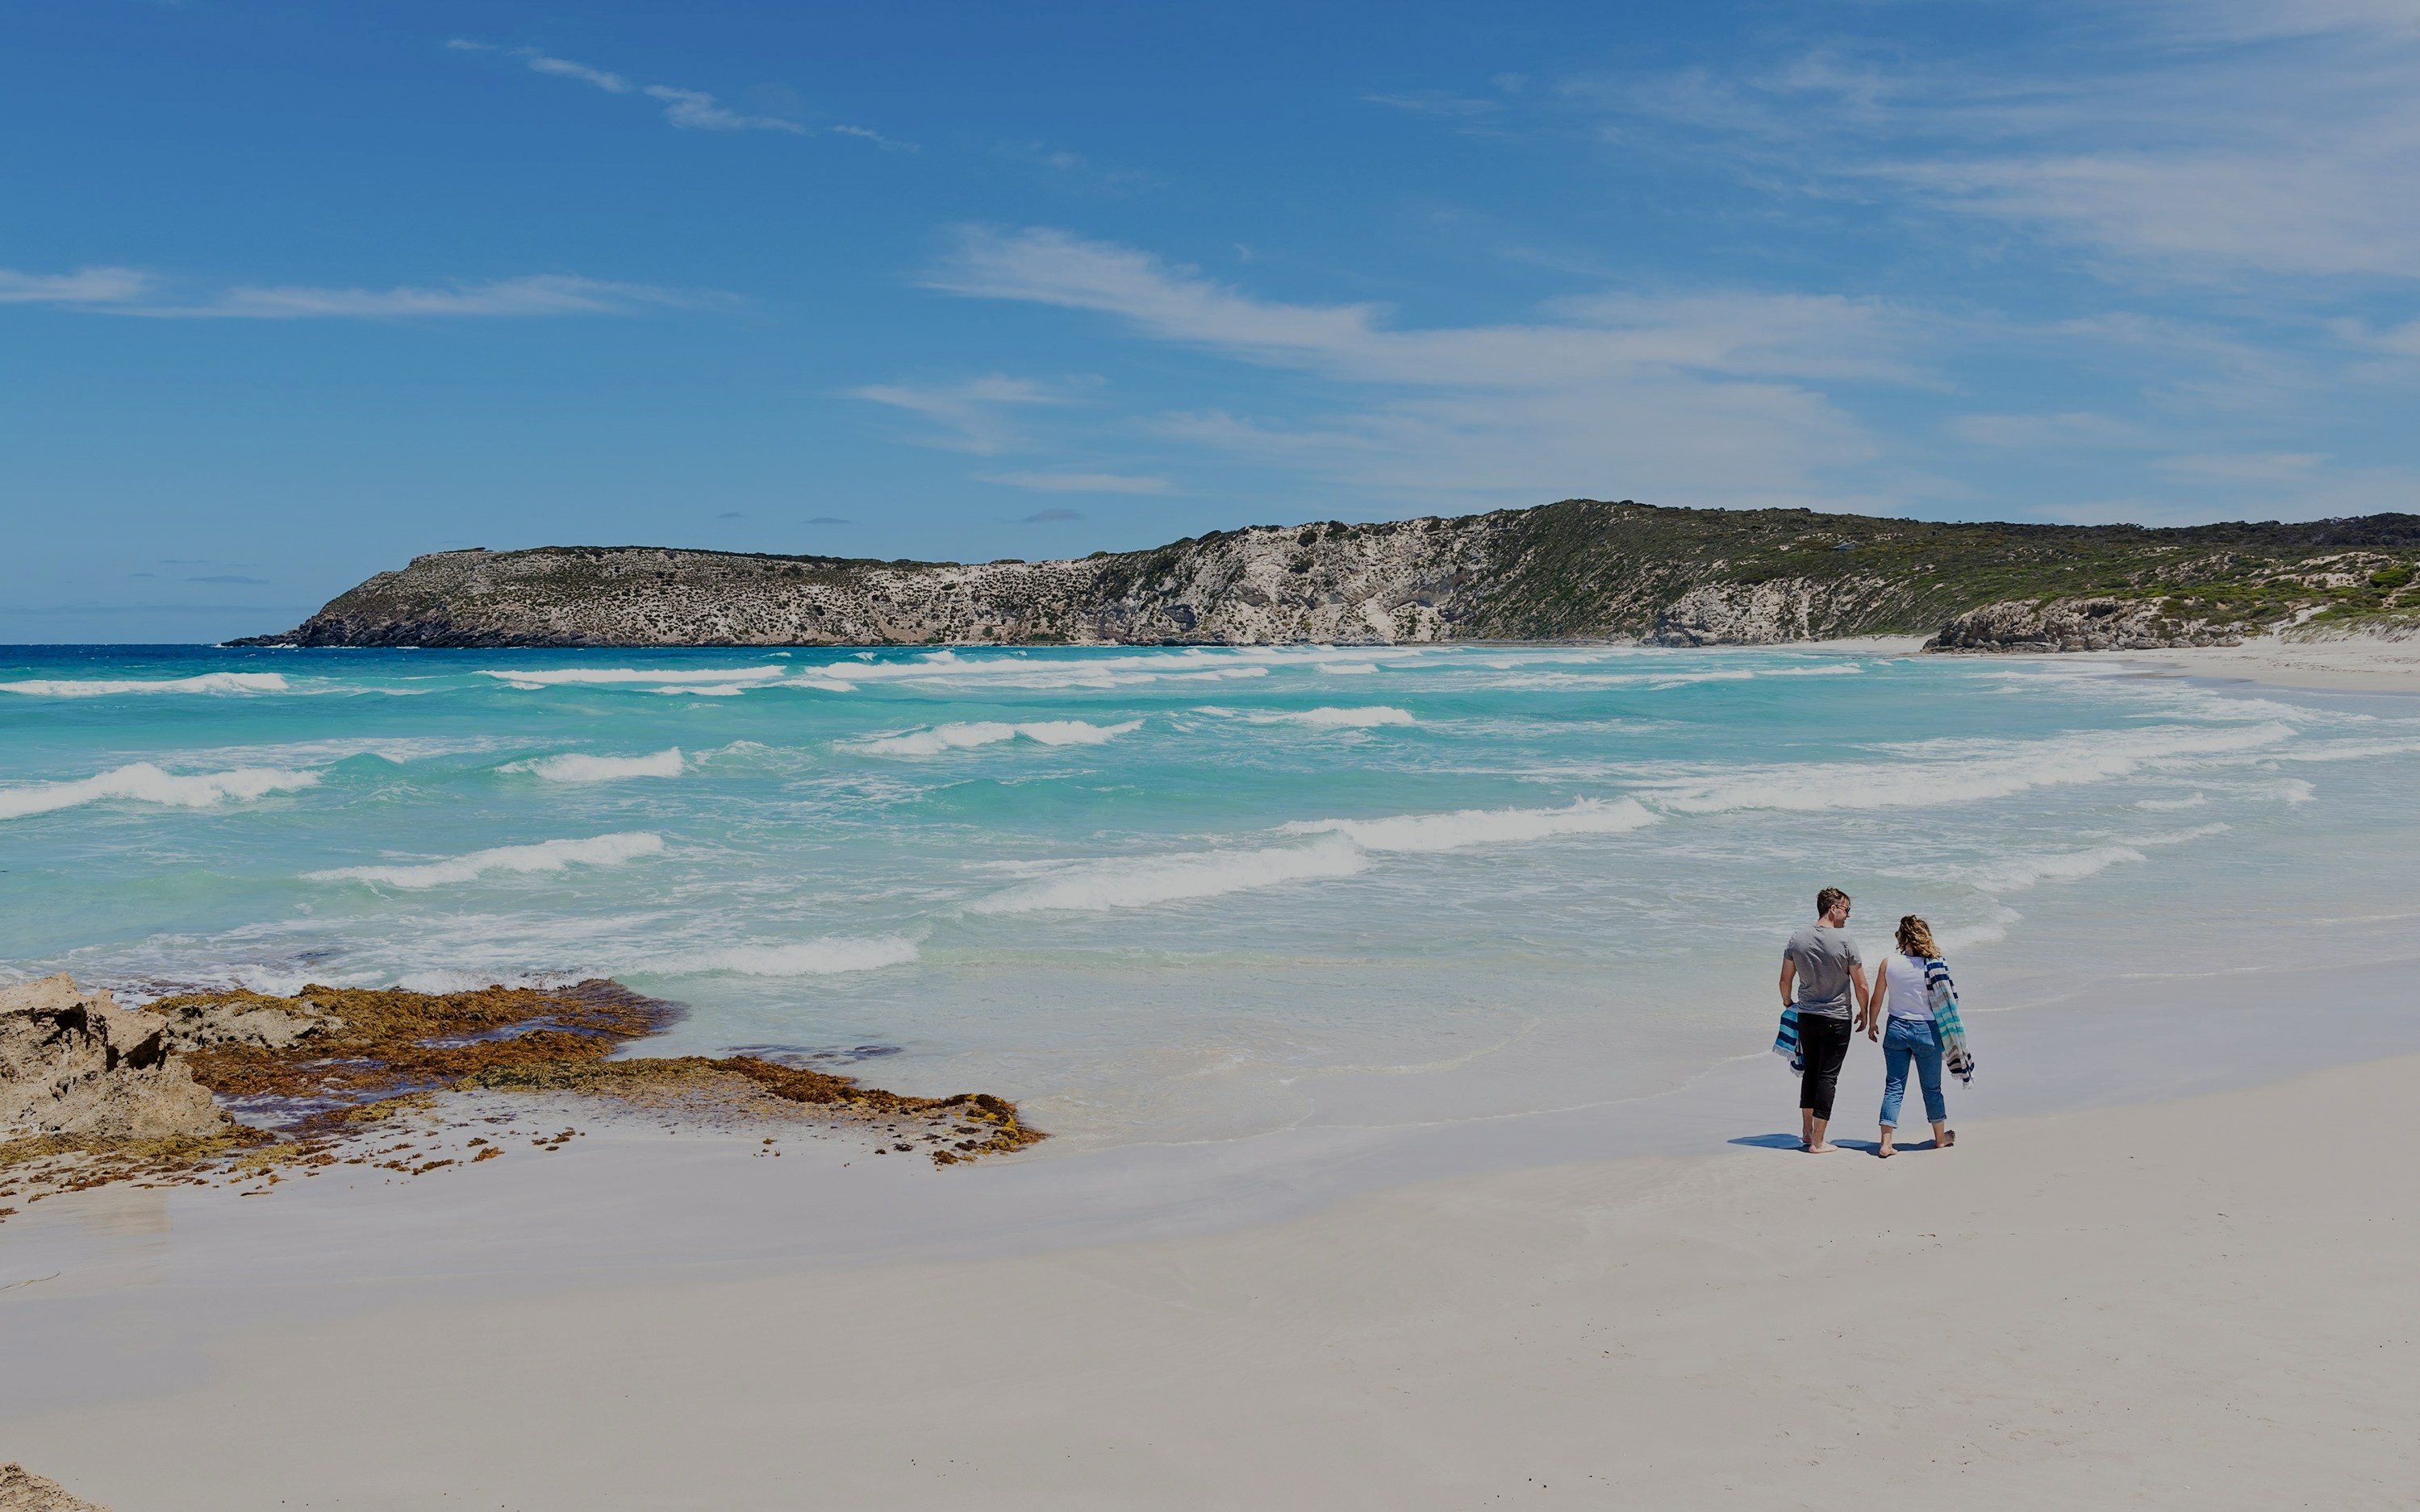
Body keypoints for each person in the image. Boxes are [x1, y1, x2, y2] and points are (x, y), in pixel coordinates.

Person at [1780, 887, 1868, 1153]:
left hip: (1807, 1016)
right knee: (1828, 1077)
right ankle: (1818, 1141)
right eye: (1847, 910)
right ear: (1833, 908)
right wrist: (1865, 1012)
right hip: (1836, 1018)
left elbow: (1785, 981)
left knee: (1811, 1073)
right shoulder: (1845, 941)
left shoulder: (1797, 938)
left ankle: (1807, 1132)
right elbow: (1861, 984)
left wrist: (1788, 1004)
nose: (1848, 916)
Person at [1865, 914, 1955, 1157]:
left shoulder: (1889, 963)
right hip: (1927, 1031)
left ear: (1901, 937)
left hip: (1896, 1029)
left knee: (1894, 1086)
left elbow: (1877, 998)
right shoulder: (1936, 963)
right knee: (1932, 1088)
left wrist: (1872, 1024)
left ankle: (1885, 1143)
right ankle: (1940, 1139)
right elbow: (1948, 1001)